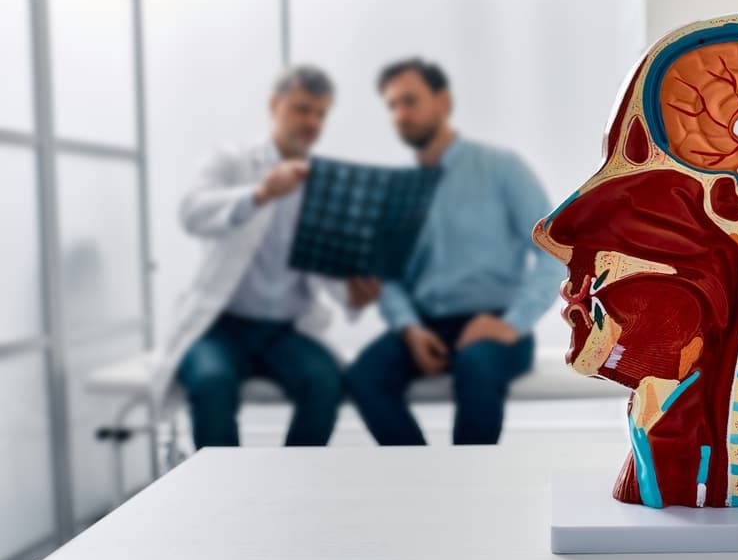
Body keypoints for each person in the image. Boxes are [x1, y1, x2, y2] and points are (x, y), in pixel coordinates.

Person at [151, 65, 381, 449]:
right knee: (210, 384)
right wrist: (259, 193)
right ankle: (224, 500)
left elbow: (326, 270)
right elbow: (190, 212)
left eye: (320, 113)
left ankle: (290, 489)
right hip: (219, 326)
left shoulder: (320, 184)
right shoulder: (229, 160)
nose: (311, 121)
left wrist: (354, 296)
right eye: (302, 109)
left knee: (325, 383)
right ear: (275, 105)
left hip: (285, 331)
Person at [346, 58, 563, 445]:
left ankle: (471, 490)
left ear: (443, 101)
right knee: (364, 376)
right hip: (426, 324)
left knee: (477, 365)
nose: (400, 115)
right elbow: (388, 274)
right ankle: (423, 481)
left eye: (409, 101)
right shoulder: (397, 190)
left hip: (495, 322)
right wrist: (409, 328)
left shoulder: (502, 168)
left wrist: (511, 323)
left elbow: (554, 249)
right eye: (392, 106)